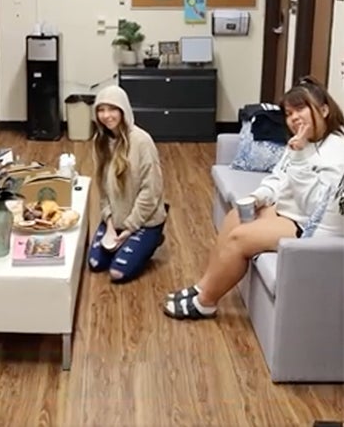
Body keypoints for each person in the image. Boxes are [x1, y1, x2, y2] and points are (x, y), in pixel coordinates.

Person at [164, 77, 344, 320]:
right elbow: (278, 178)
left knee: (239, 238)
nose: (294, 118)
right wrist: (258, 196)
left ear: (324, 110)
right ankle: (203, 286)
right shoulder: (304, 142)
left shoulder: (336, 150)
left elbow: (314, 206)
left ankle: (205, 303)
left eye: (301, 109)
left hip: (312, 229)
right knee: (235, 217)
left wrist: (300, 155)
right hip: (291, 212)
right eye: (289, 113)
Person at [87, 85, 167, 282]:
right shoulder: (101, 141)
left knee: (117, 273)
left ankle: (153, 238)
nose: (106, 116)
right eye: (101, 109)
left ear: (124, 110)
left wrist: (131, 227)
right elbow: (103, 191)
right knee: (95, 264)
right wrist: (110, 223)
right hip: (116, 220)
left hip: (144, 220)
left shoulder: (142, 141)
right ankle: (130, 244)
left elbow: (151, 191)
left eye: (112, 109)